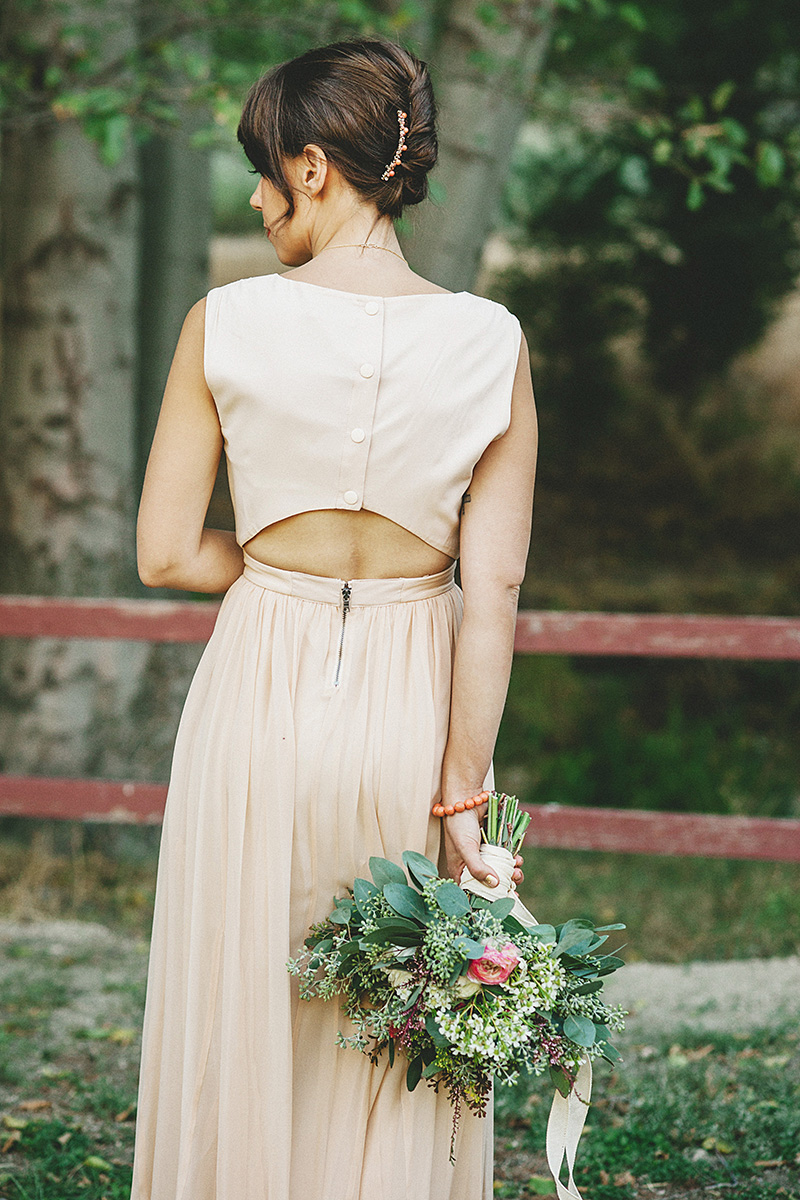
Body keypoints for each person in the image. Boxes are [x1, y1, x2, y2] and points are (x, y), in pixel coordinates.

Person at [129, 34, 537, 1200]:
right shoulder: (491, 341)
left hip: (257, 693)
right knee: (396, 1018)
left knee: (242, 1001)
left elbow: (165, 553)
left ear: (312, 168)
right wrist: (459, 798)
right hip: (414, 700)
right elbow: (493, 592)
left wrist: (278, 564)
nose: (258, 200)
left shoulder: (224, 320)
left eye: (264, 171)